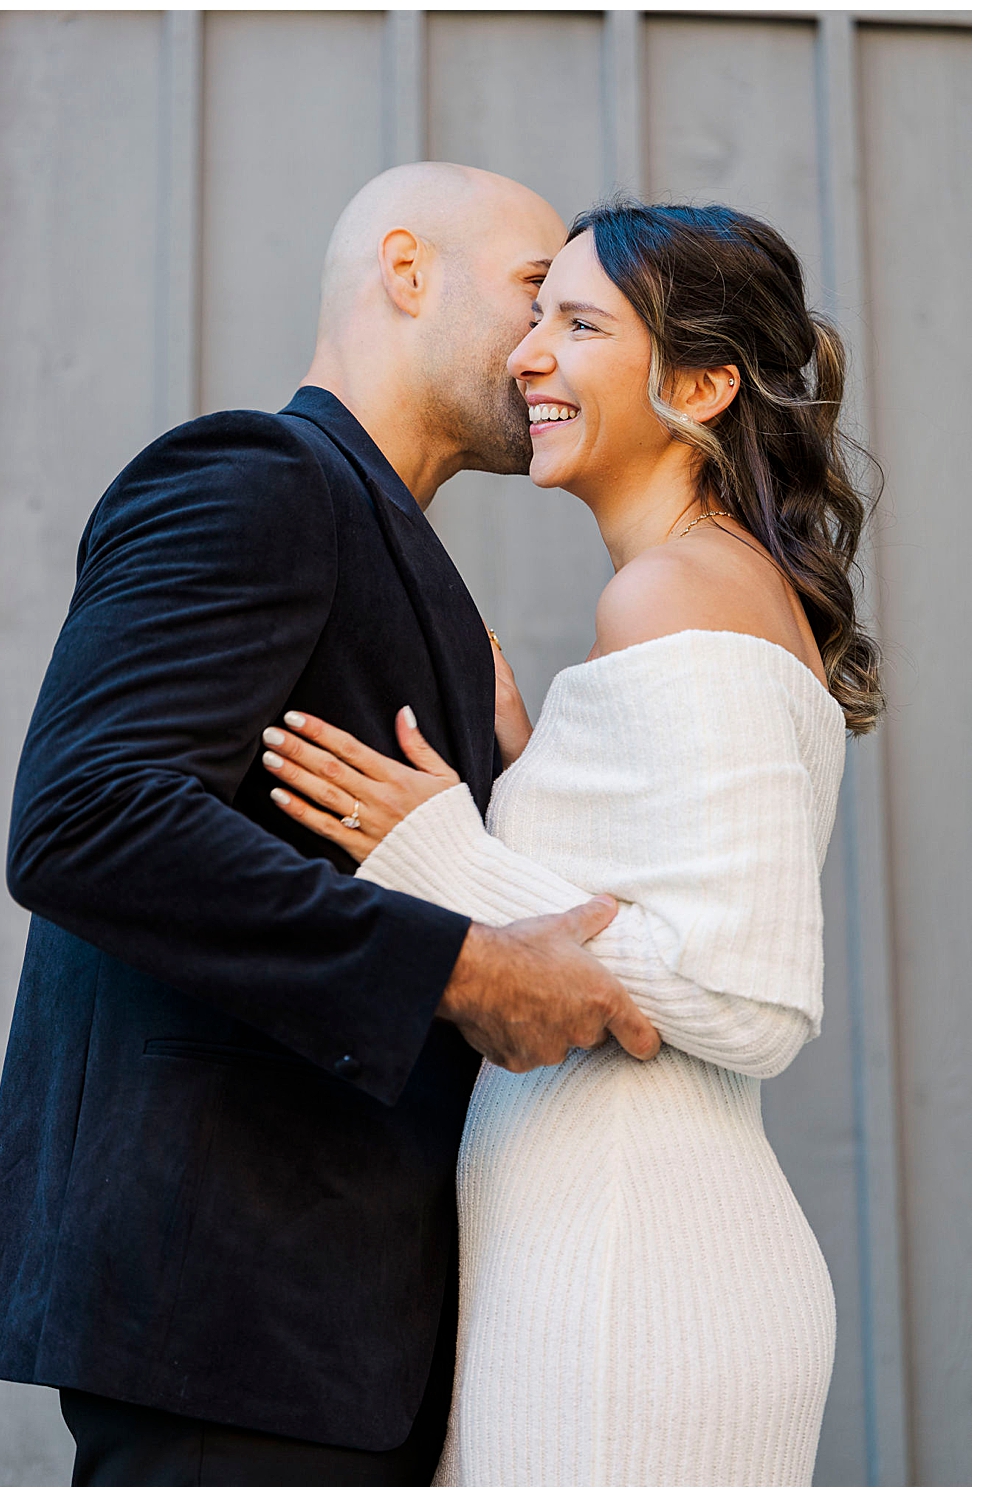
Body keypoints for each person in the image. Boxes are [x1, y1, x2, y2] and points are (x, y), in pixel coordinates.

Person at [0, 161, 662, 1486]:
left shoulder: (392, 549)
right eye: (537, 295)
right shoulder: (259, 477)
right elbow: (85, 814)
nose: (546, 352)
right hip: (238, 1327)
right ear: (404, 271)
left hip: (340, 1334)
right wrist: (462, 969)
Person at [263, 201, 872, 1485]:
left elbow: (746, 995)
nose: (525, 355)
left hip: (634, 1285)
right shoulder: (682, 592)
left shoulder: (675, 591)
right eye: (534, 314)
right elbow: (651, 902)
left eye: (577, 322)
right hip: (591, 1262)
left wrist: (441, 852)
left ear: (699, 384)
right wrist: (538, 772)